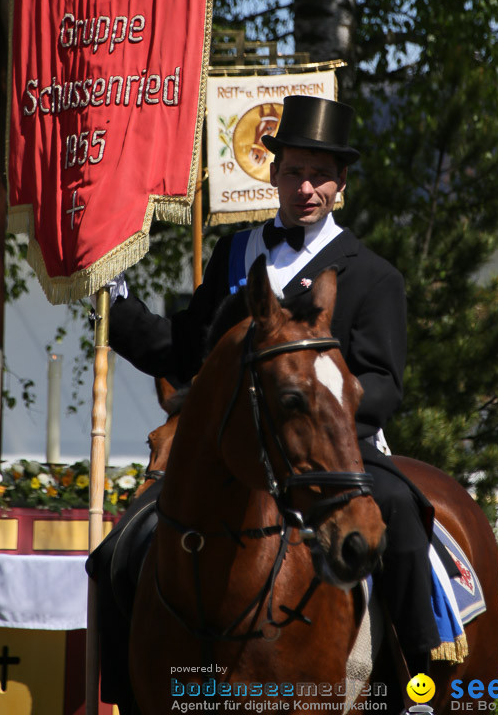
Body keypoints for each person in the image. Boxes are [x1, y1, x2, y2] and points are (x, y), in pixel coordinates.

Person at [108, 94, 440, 676]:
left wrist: (314, 423)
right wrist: (117, 305)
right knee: (122, 544)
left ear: (340, 183)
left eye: (319, 175)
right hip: (230, 453)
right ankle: (129, 682)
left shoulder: (374, 274)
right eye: (293, 172)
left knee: (401, 513)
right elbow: (190, 354)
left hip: (335, 450)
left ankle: (423, 673)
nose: (305, 187)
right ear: (273, 174)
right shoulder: (235, 251)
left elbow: (384, 384)